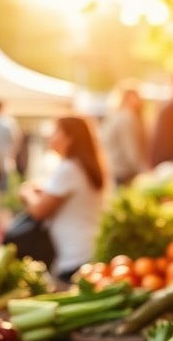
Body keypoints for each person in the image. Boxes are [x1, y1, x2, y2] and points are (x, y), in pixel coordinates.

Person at [19, 116, 108, 282]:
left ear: (69, 138)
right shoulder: (82, 166)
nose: (50, 137)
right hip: (88, 251)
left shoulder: (70, 169)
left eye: (55, 131)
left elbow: (39, 211)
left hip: (76, 257)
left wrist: (26, 192)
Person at [100, 82, 148, 185]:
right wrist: (142, 170)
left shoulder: (115, 115)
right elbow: (130, 148)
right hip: (124, 171)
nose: (140, 99)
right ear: (128, 98)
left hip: (113, 169)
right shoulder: (127, 117)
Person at [0, 99, 23, 192]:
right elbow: (16, 141)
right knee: (1, 188)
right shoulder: (8, 123)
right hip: (2, 159)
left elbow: (16, 141)